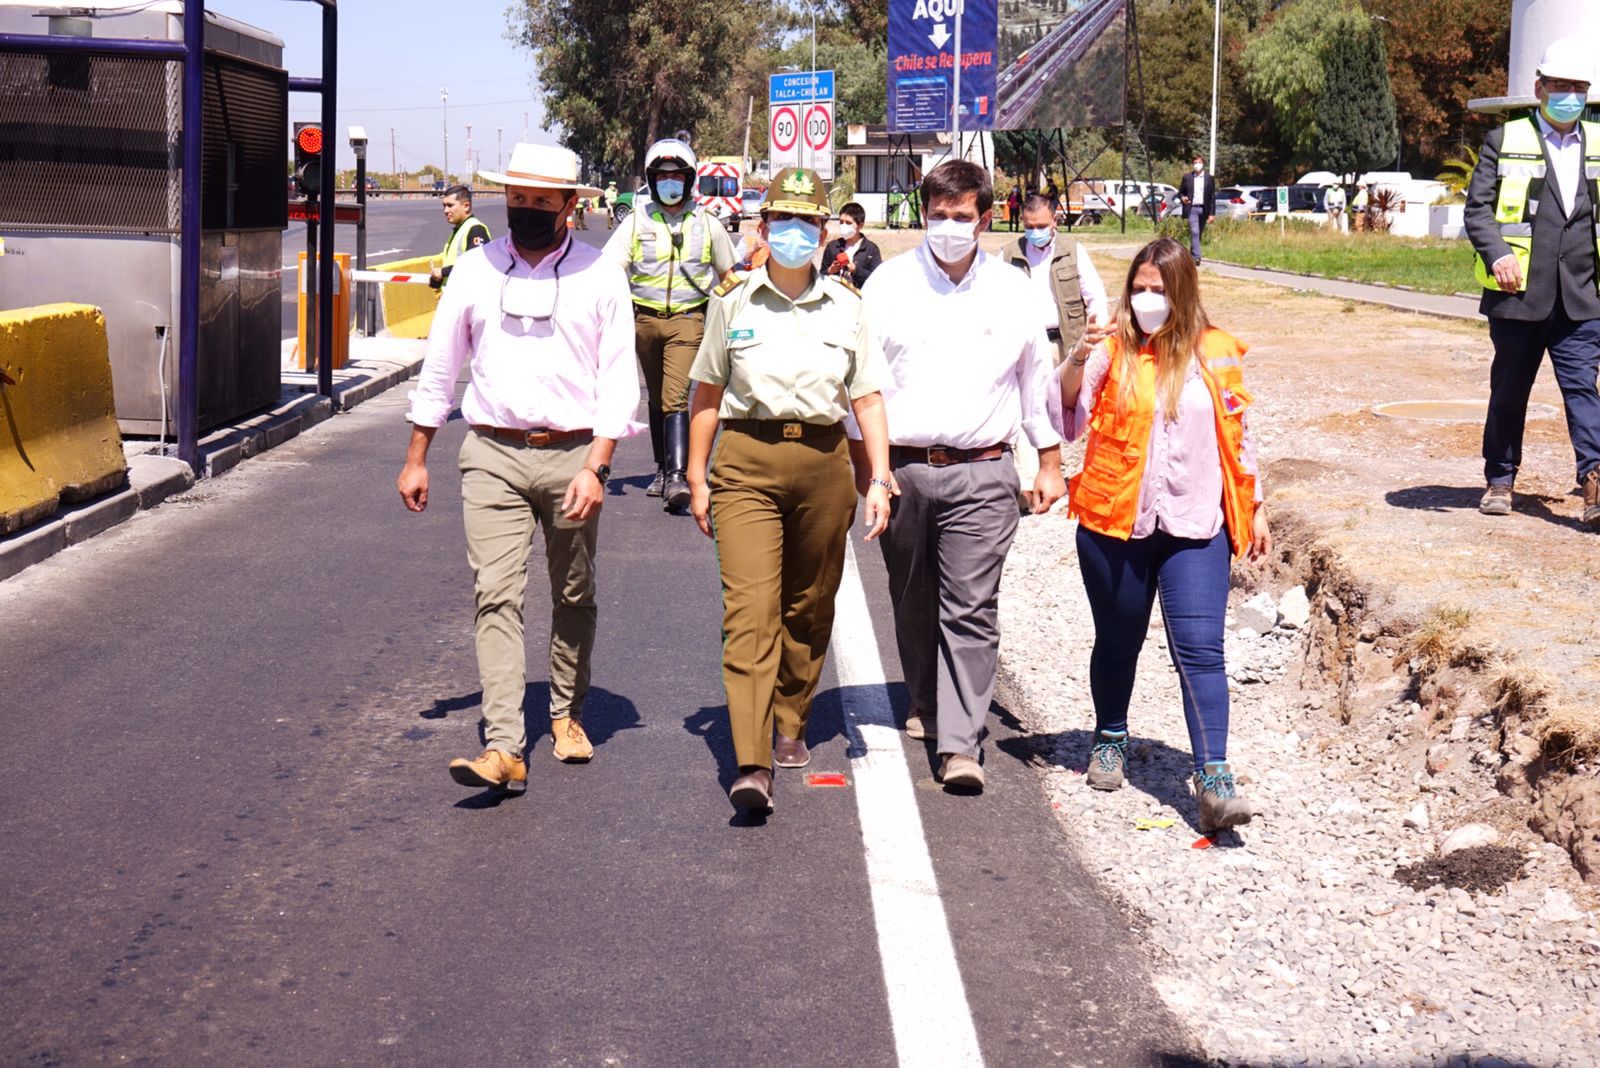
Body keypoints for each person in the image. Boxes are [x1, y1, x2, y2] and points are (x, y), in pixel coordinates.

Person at [397, 144, 639, 791]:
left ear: (569, 205)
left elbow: (620, 379)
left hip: (574, 455)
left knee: (573, 592)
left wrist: (598, 466)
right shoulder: (475, 271)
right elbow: (441, 366)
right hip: (491, 454)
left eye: (540, 201)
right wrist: (417, 456)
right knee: (496, 595)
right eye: (518, 198)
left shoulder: (599, 275)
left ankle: (566, 713)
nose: (526, 209)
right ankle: (503, 744)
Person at [685, 168, 893, 813]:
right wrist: (696, 475)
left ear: (824, 231)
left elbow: (867, 397)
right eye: (783, 220)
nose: (795, 232)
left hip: (825, 463)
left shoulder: (848, 306)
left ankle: (791, 717)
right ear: (763, 226)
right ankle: (751, 763)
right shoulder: (733, 300)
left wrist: (879, 477)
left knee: (809, 604)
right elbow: (707, 392)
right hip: (747, 461)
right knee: (751, 611)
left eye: (807, 221)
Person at [1050, 236, 1270, 834]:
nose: (1148, 299)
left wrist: (1255, 505)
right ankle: (1110, 736)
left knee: (1201, 650)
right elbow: (1063, 412)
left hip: (1195, 524)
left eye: (1160, 289)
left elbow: (1238, 431)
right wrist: (1077, 356)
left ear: (1183, 293)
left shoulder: (1215, 350)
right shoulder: (1110, 347)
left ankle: (1214, 777)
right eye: (1140, 288)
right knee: (1118, 639)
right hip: (1114, 522)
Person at [860, 159, 1065, 792]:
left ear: (985, 218)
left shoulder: (1012, 290)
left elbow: (1035, 380)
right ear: (924, 214)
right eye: (938, 215)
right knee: (912, 599)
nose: (949, 227)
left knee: (971, 608)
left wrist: (1049, 460)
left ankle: (960, 746)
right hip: (905, 471)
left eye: (961, 216)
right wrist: (869, 475)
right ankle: (924, 699)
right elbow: (861, 387)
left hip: (984, 472)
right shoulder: (888, 285)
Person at [1466, 37, 1600, 526]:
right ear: (1539, 87)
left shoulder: (1599, 142)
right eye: (1560, 85)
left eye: (1578, 87)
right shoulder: (1504, 139)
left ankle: (1594, 481)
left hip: (1583, 295)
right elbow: (1477, 209)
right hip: (1518, 294)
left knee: (1583, 390)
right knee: (1509, 391)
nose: (1570, 95)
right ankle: (1500, 479)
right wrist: (1498, 253)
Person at [603, 138, 736, 513]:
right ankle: (662, 468)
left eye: (677, 176)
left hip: (688, 320)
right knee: (658, 397)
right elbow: (609, 268)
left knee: (676, 396)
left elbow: (729, 275)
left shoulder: (707, 224)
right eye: (662, 177)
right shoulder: (635, 222)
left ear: (689, 179)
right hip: (644, 320)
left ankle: (678, 476)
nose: (669, 182)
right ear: (651, 179)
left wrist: (730, 323)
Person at [1002, 193, 1113, 509]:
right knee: (1029, 408)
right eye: (1028, 226)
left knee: (1066, 409)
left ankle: (1070, 472)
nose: (1034, 231)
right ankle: (1029, 483)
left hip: (1064, 344)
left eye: (1040, 225)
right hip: (1026, 344)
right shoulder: (1008, 255)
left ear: (1054, 221)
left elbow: (1095, 296)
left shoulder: (1073, 252)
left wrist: (1095, 338)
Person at [429, 184, 491, 290]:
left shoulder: (475, 230)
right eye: (444, 206)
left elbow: (477, 265)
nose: (446, 211)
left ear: (466, 206)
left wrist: (443, 272)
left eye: (450, 205)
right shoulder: (460, 230)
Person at [820, 201, 883, 290]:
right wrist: (830, 270)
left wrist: (855, 270)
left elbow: (877, 279)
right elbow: (821, 275)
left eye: (848, 223)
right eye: (841, 222)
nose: (844, 226)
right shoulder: (832, 246)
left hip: (860, 295)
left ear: (860, 225)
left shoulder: (871, 249)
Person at [1178, 155, 1215, 265]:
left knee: (1198, 234)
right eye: (1195, 163)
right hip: (1192, 208)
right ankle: (1196, 257)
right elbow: (1180, 192)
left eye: (1199, 162)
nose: (1197, 165)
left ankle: (1191, 255)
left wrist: (1212, 214)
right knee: (1194, 232)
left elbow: (1212, 197)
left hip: (1204, 209)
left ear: (1203, 164)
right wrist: (1183, 198)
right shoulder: (1187, 177)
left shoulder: (1209, 178)